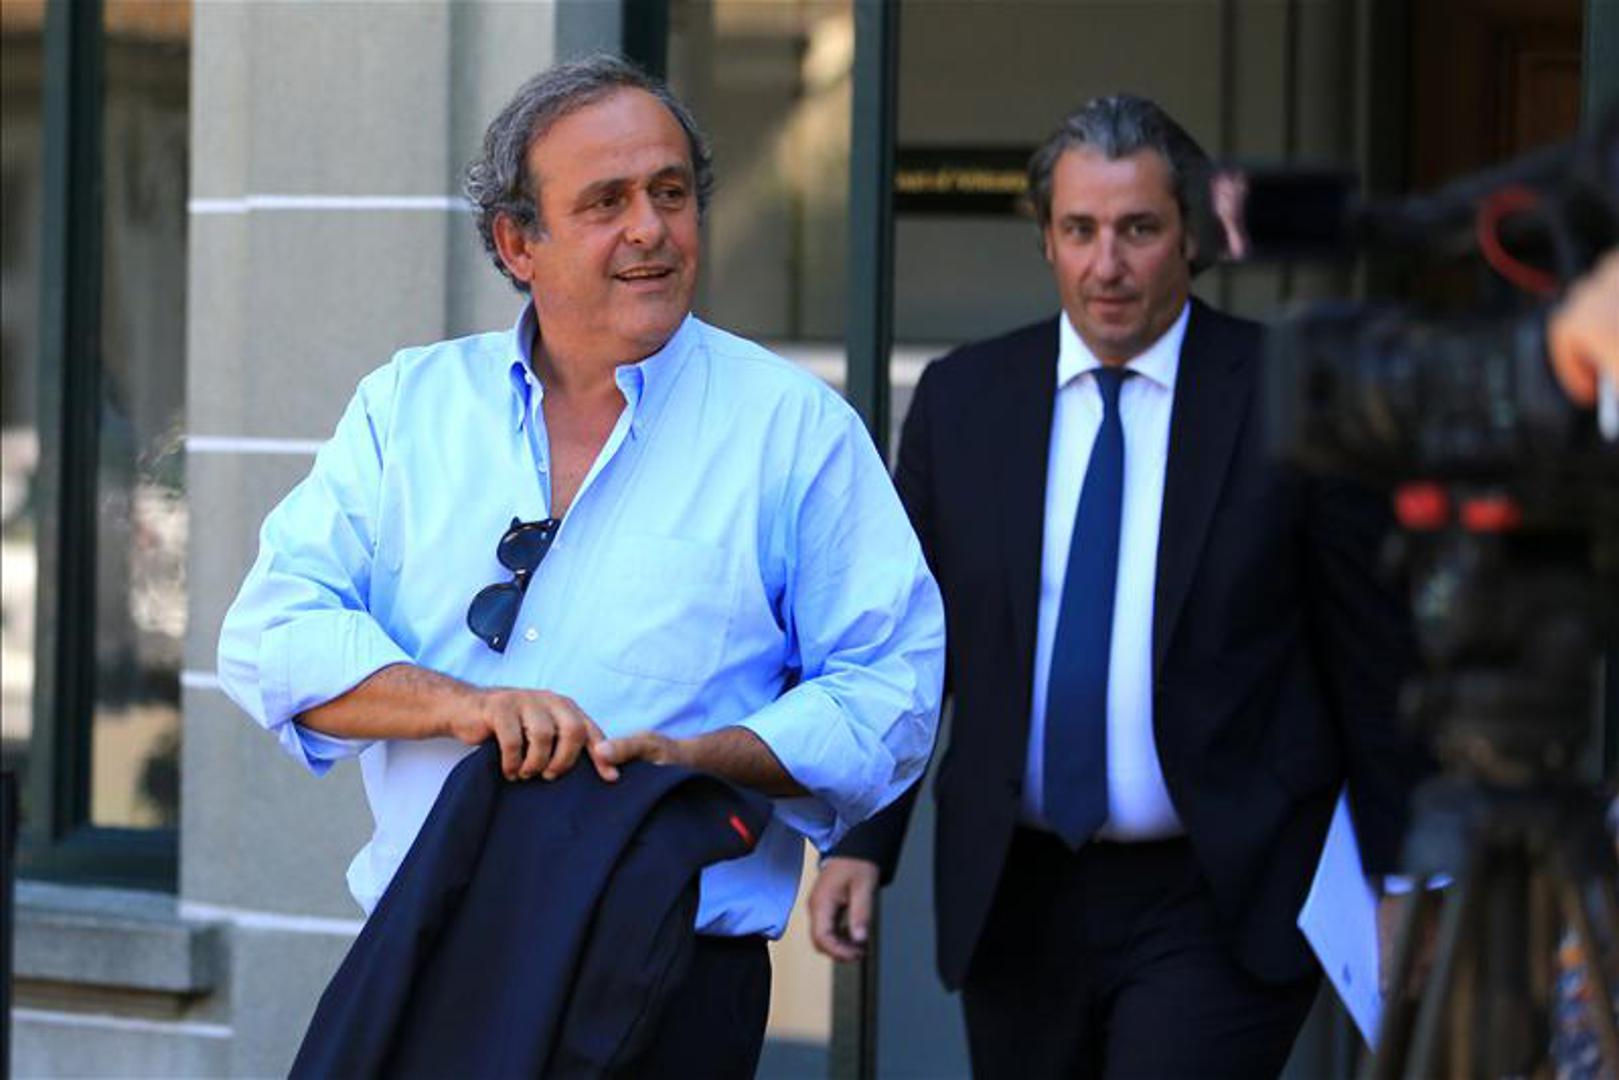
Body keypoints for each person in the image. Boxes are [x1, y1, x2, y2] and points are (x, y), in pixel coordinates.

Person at [217, 55, 944, 1077]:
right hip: (432, 959)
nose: (650, 228)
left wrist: (701, 756)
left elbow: (890, 693)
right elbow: (270, 636)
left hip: (668, 985)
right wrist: (462, 707)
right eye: (606, 202)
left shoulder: (794, 429)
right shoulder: (409, 406)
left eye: (670, 193)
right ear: (518, 242)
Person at [808, 94, 1429, 1077]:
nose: (1106, 265)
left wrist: (1401, 875)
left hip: (1220, 889)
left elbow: (1370, 658)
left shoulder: (1293, 397)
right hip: (1016, 893)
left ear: (1191, 237)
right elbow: (911, 649)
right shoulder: (964, 400)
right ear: (1046, 239)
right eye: (1079, 230)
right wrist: (861, 841)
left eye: (1137, 229)